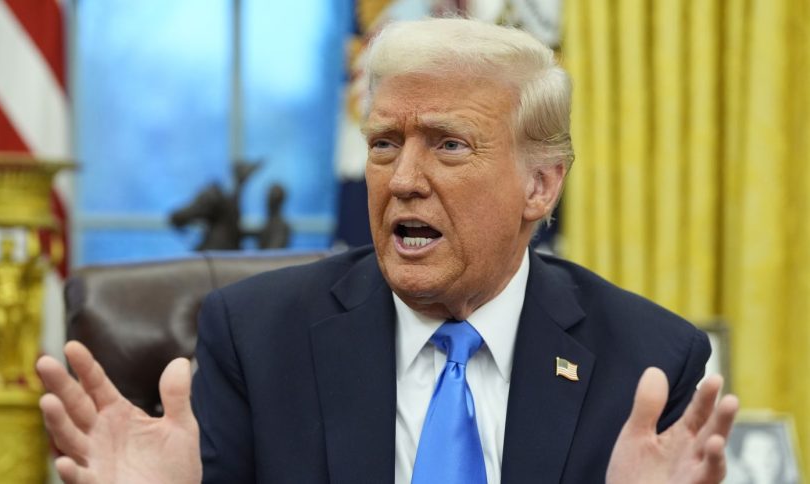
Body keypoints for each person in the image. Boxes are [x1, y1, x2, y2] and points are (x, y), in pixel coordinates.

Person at [36, 18, 739, 483]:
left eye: (449, 145)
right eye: (384, 144)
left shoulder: (649, 361)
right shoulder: (255, 339)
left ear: (540, 185)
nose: (402, 180)